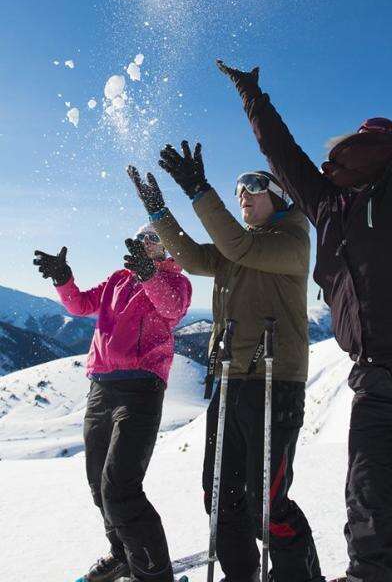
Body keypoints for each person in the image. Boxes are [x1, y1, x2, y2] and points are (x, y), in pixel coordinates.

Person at [216, 0, 392, 582]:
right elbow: (284, 157)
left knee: (376, 535)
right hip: (377, 386)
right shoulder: (332, 205)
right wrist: (253, 97)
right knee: (371, 531)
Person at [128, 153, 325, 582]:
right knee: (220, 496)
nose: (243, 197)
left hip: (275, 382)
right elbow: (195, 258)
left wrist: (200, 191)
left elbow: (237, 245)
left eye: (253, 188)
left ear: (277, 196)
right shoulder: (239, 244)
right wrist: (158, 213)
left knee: (266, 503)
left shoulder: (290, 240)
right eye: (238, 192)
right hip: (232, 378)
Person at [33, 223, 192, 582]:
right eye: (141, 237)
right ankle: (122, 554)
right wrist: (63, 279)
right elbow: (80, 305)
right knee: (98, 483)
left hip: (141, 389)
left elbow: (172, 309)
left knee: (120, 487)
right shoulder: (119, 278)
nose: (145, 242)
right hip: (101, 387)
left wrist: (149, 274)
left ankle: (154, 574)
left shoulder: (175, 282)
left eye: (153, 238)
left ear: (165, 249)